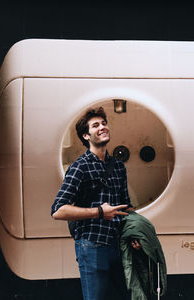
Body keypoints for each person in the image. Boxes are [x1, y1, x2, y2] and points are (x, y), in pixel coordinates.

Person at [51, 107, 134, 300]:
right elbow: (58, 210)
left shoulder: (118, 166)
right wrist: (99, 212)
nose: (102, 127)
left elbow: (127, 206)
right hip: (91, 246)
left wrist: (134, 234)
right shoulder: (79, 167)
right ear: (86, 136)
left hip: (118, 245)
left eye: (104, 123)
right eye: (95, 125)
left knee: (130, 296)